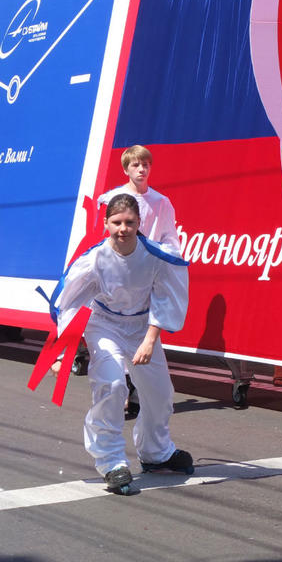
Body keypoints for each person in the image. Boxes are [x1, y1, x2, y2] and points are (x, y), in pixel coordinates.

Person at [50, 194, 193, 494]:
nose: (123, 228)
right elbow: (70, 304)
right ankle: (112, 460)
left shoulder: (155, 255)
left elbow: (166, 298)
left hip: (142, 327)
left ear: (140, 223)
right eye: (116, 222)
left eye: (130, 222)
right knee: (113, 385)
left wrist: (150, 340)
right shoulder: (94, 259)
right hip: (105, 325)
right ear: (106, 224)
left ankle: (156, 452)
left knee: (160, 393)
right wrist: (63, 353)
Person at [97, 145, 181, 418]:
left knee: (145, 333)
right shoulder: (111, 199)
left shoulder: (161, 203)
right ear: (126, 169)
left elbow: (171, 239)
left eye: (145, 165)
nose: (141, 170)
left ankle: (138, 389)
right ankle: (120, 389)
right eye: (136, 165)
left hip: (148, 274)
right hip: (118, 277)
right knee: (115, 331)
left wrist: (158, 256)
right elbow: (100, 239)